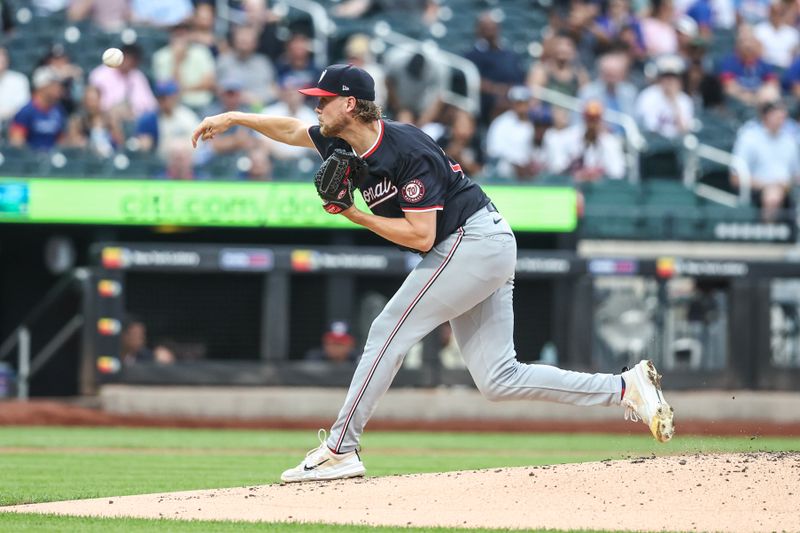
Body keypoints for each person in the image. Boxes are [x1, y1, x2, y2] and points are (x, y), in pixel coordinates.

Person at [191, 64, 675, 483]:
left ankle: (340, 449)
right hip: (479, 245)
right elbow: (292, 131)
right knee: (498, 378)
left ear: (352, 105)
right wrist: (235, 118)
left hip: (472, 240)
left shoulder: (405, 149)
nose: (316, 108)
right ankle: (624, 388)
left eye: (324, 101)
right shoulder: (340, 139)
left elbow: (421, 237)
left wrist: (355, 214)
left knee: (386, 330)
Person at [731, 100, 800, 222]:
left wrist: (786, 184)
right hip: (757, 188)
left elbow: (796, 173)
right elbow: (736, 177)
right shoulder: (749, 137)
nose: (781, 119)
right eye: (777, 115)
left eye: (783, 116)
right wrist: (768, 184)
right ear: (766, 116)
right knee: (772, 196)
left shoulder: (790, 141)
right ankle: (768, 236)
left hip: (787, 188)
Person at [544, 100, 627, 181]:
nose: (592, 124)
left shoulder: (609, 142)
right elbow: (557, 167)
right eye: (589, 119)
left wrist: (598, 174)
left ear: (600, 120)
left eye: (595, 119)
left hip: (601, 190)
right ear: (584, 118)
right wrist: (577, 172)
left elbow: (617, 173)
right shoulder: (569, 137)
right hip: (572, 187)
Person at [635, 54, 694, 139]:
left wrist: (674, 102)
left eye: (673, 77)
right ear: (660, 78)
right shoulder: (647, 96)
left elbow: (684, 131)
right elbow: (649, 129)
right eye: (666, 76)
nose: (670, 81)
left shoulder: (684, 100)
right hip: (652, 145)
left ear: (679, 79)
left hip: (677, 145)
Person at [8, 67, 67, 150]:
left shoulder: (58, 110)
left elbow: (62, 140)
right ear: (42, 86)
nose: (58, 88)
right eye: (53, 84)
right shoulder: (26, 112)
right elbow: (17, 142)